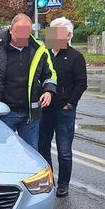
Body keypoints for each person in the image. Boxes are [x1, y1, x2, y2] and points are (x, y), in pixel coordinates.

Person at [0, 14, 56, 149]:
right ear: (11, 30)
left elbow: (50, 74)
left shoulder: (39, 49)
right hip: (4, 112)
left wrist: (49, 91)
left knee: (31, 153)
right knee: (2, 151)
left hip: (30, 114)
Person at [39, 18, 87, 197]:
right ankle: (47, 180)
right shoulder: (44, 54)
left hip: (64, 111)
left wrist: (70, 104)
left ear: (68, 36)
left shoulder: (75, 57)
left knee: (64, 150)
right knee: (42, 147)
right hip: (44, 110)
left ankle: (63, 184)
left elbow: (81, 83)